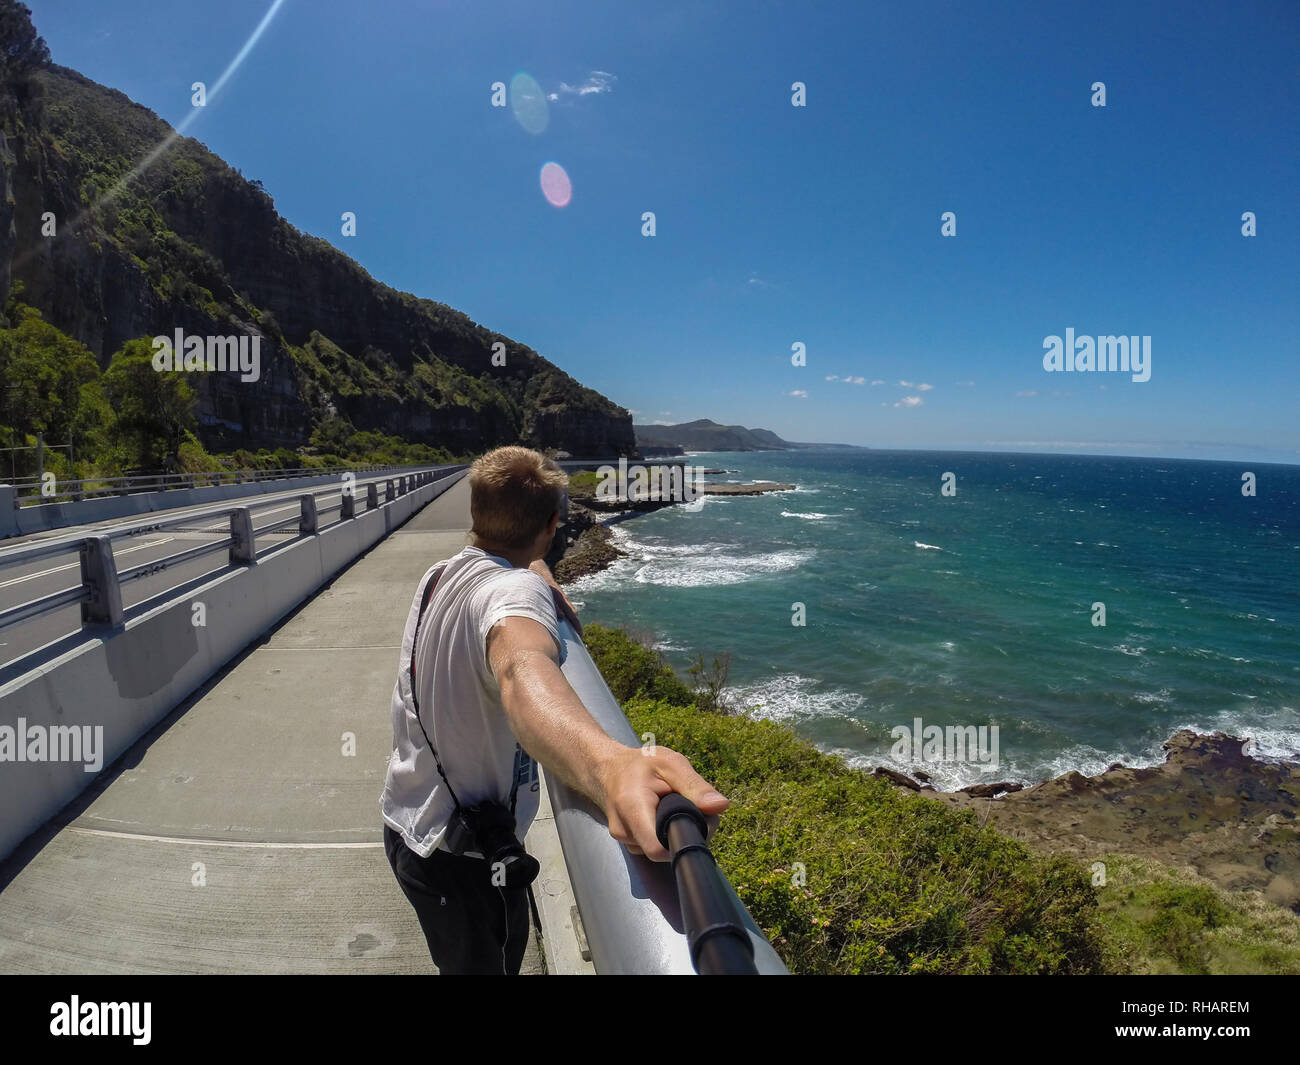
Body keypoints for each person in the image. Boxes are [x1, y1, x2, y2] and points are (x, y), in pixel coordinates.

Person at [381, 445, 730, 974]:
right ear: (552, 524)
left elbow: (510, 569)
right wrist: (610, 765)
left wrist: (536, 565)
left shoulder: (441, 574)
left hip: (409, 824)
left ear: (476, 514)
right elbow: (523, 669)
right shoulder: (513, 592)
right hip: (464, 861)